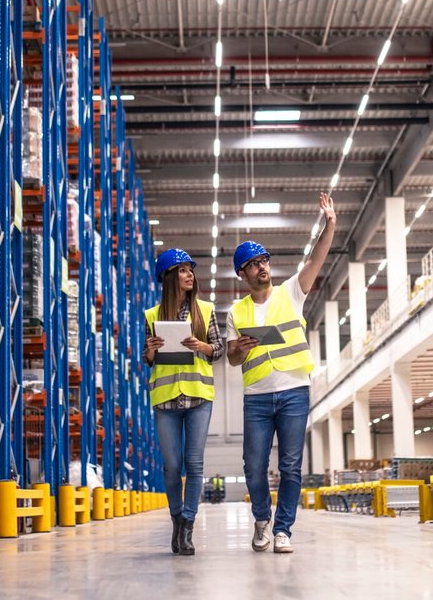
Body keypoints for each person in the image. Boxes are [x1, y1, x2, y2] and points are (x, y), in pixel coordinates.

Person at [227, 192, 337, 554]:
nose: (262, 266)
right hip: (257, 397)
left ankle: (283, 530)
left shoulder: (291, 292)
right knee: (253, 466)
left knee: (291, 466)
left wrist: (329, 224)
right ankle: (262, 518)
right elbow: (230, 358)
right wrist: (238, 349)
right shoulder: (235, 312)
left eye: (264, 261)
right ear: (243, 273)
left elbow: (316, 259)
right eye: (254, 264)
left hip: (293, 391)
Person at [143, 248, 222, 556]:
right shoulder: (152, 315)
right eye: (183, 270)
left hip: (199, 396)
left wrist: (201, 345)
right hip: (165, 399)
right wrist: (151, 349)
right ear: (169, 277)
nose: (190, 274)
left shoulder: (206, 309)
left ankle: (187, 525)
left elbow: (217, 349)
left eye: (191, 270)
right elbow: (148, 360)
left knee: (194, 463)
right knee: (171, 466)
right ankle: (176, 518)